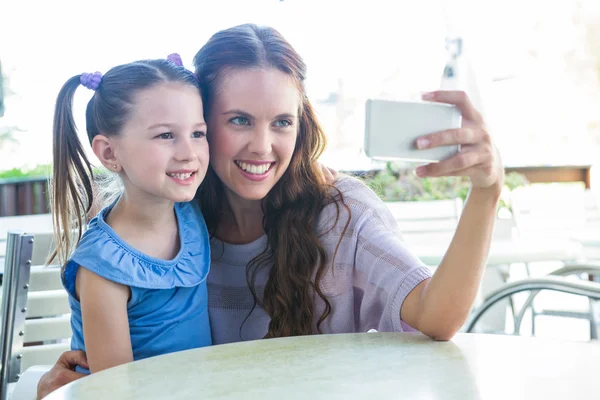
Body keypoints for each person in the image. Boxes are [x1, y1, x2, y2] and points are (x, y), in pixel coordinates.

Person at [38, 24, 503, 398]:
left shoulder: (340, 211)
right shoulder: (172, 213)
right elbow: (118, 349)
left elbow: (438, 318)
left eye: (282, 122)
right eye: (238, 120)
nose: (263, 147)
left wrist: (486, 191)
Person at [48, 54, 212, 374]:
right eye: (165, 135)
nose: (189, 153)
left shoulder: (191, 212)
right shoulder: (103, 268)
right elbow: (115, 391)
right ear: (110, 153)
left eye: (198, 133)